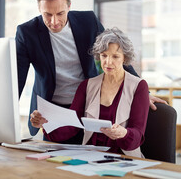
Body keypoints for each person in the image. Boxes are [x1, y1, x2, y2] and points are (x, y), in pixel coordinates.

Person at [0, 0, 164, 146]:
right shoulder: (27, 33)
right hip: (51, 110)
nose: (54, 22)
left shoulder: (88, 21)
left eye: (60, 13)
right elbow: (16, 80)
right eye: (47, 15)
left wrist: (140, 90)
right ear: (39, 9)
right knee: (52, 164)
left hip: (87, 105)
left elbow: (115, 51)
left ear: (69, 5)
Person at [30, 28, 149, 157]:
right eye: (104, 55)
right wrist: (46, 123)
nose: (108, 62)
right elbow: (72, 126)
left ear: (125, 58)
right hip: (90, 156)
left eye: (115, 56)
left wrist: (124, 133)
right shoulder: (87, 85)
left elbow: (137, 134)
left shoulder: (139, 86)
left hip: (124, 157)